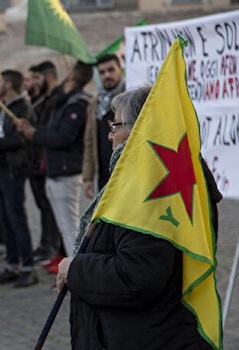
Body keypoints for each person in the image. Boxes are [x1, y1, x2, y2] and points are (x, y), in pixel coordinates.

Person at [55, 86, 222, 349]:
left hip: (149, 337)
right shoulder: (165, 173)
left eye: (115, 126)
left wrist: (74, 269)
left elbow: (136, 275)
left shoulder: (150, 186)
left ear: (140, 128)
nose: (110, 136)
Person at [18, 61, 93, 273]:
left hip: (66, 172)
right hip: (56, 171)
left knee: (71, 228)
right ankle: (74, 269)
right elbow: (52, 130)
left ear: (71, 77)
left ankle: (78, 272)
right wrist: (32, 129)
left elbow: (63, 138)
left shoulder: (77, 104)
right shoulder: (64, 102)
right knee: (64, 225)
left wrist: (35, 134)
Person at [0, 70, 37, 288]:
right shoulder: (0, 106)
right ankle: (12, 264)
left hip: (13, 170)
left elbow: (19, 141)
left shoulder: (23, 108)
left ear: (10, 83)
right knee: (3, 218)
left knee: (16, 217)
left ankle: (28, 267)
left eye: (1, 81)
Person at [26, 62, 63, 264]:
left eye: (35, 78)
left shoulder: (55, 99)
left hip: (48, 161)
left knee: (51, 207)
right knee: (43, 206)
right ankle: (47, 242)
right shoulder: (38, 100)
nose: (31, 83)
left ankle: (53, 246)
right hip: (35, 161)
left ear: (47, 78)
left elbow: (51, 129)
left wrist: (34, 131)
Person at [82, 54, 125, 197]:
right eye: (102, 72)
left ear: (120, 69)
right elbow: (89, 141)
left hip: (125, 173)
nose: (107, 75)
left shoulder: (130, 99)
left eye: (111, 70)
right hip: (103, 176)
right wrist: (88, 177)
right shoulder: (95, 103)